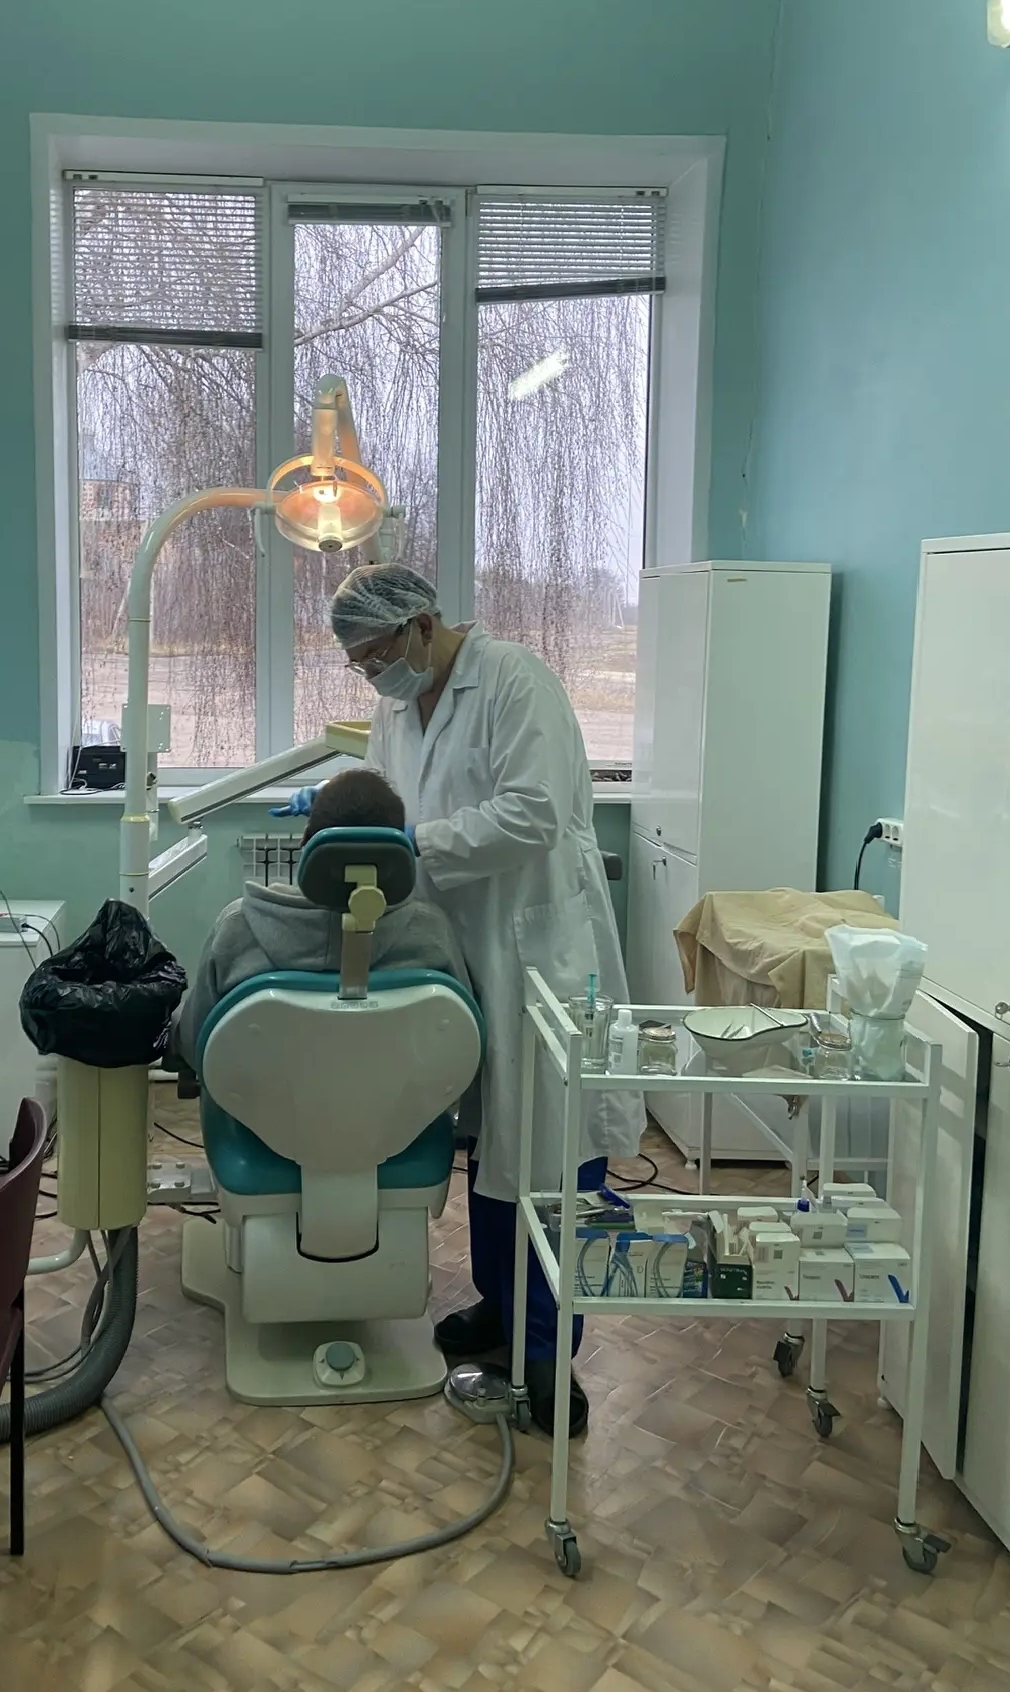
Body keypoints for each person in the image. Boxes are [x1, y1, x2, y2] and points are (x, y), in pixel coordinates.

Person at [328, 561, 645, 1437]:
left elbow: (533, 813)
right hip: (456, 950)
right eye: (359, 664)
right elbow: (384, 804)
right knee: (489, 1139)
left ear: (423, 625)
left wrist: (414, 841)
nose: (373, 675)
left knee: (550, 1148)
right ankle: (501, 1307)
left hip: (538, 948)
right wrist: (354, 830)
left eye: (378, 655)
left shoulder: (515, 680)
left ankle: (549, 1354)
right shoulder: (397, 710)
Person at [177, 766, 469, 1068]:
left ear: (306, 841)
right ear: (398, 852)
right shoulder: (430, 933)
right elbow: (462, 1040)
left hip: (261, 1098)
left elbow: (194, 1043)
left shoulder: (238, 927)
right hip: (400, 1097)